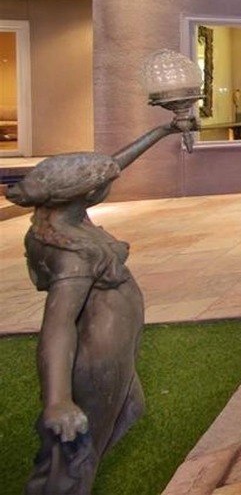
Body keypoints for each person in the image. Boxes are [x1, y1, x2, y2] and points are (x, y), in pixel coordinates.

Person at [8, 114, 194, 495]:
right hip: (99, 354)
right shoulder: (71, 252)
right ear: (86, 193)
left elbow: (113, 164)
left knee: (128, 412)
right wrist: (58, 400)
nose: (109, 180)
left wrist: (162, 131)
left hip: (117, 346)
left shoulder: (66, 219)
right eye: (100, 183)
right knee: (76, 450)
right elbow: (57, 325)